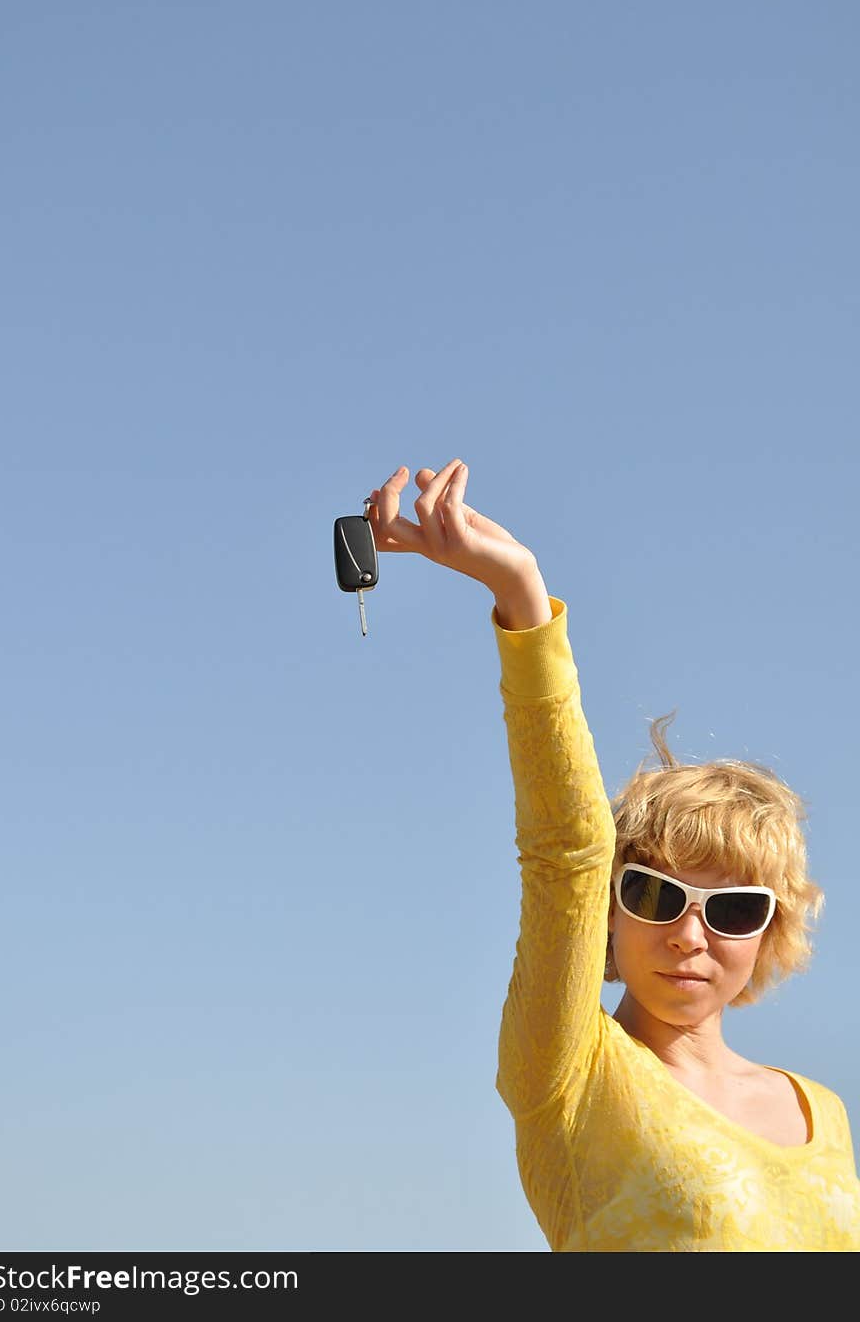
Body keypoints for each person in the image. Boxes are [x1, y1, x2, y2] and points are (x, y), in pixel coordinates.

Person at [366, 457, 860, 1252]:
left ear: (771, 930)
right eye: (657, 894)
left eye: (734, 908)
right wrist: (522, 596)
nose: (690, 935)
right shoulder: (568, 1069)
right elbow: (566, 848)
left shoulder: (822, 1112)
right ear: (608, 906)